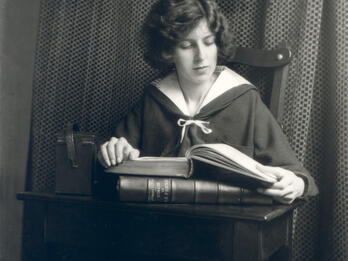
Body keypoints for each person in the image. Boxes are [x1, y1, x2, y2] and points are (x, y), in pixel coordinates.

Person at [98, 0, 318, 203]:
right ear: (167, 50)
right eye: (186, 45)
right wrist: (113, 150)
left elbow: (296, 173)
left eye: (209, 42)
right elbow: (114, 153)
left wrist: (296, 184)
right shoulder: (154, 99)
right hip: (162, 223)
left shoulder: (245, 99)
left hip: (228, 227)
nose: (201, 56)